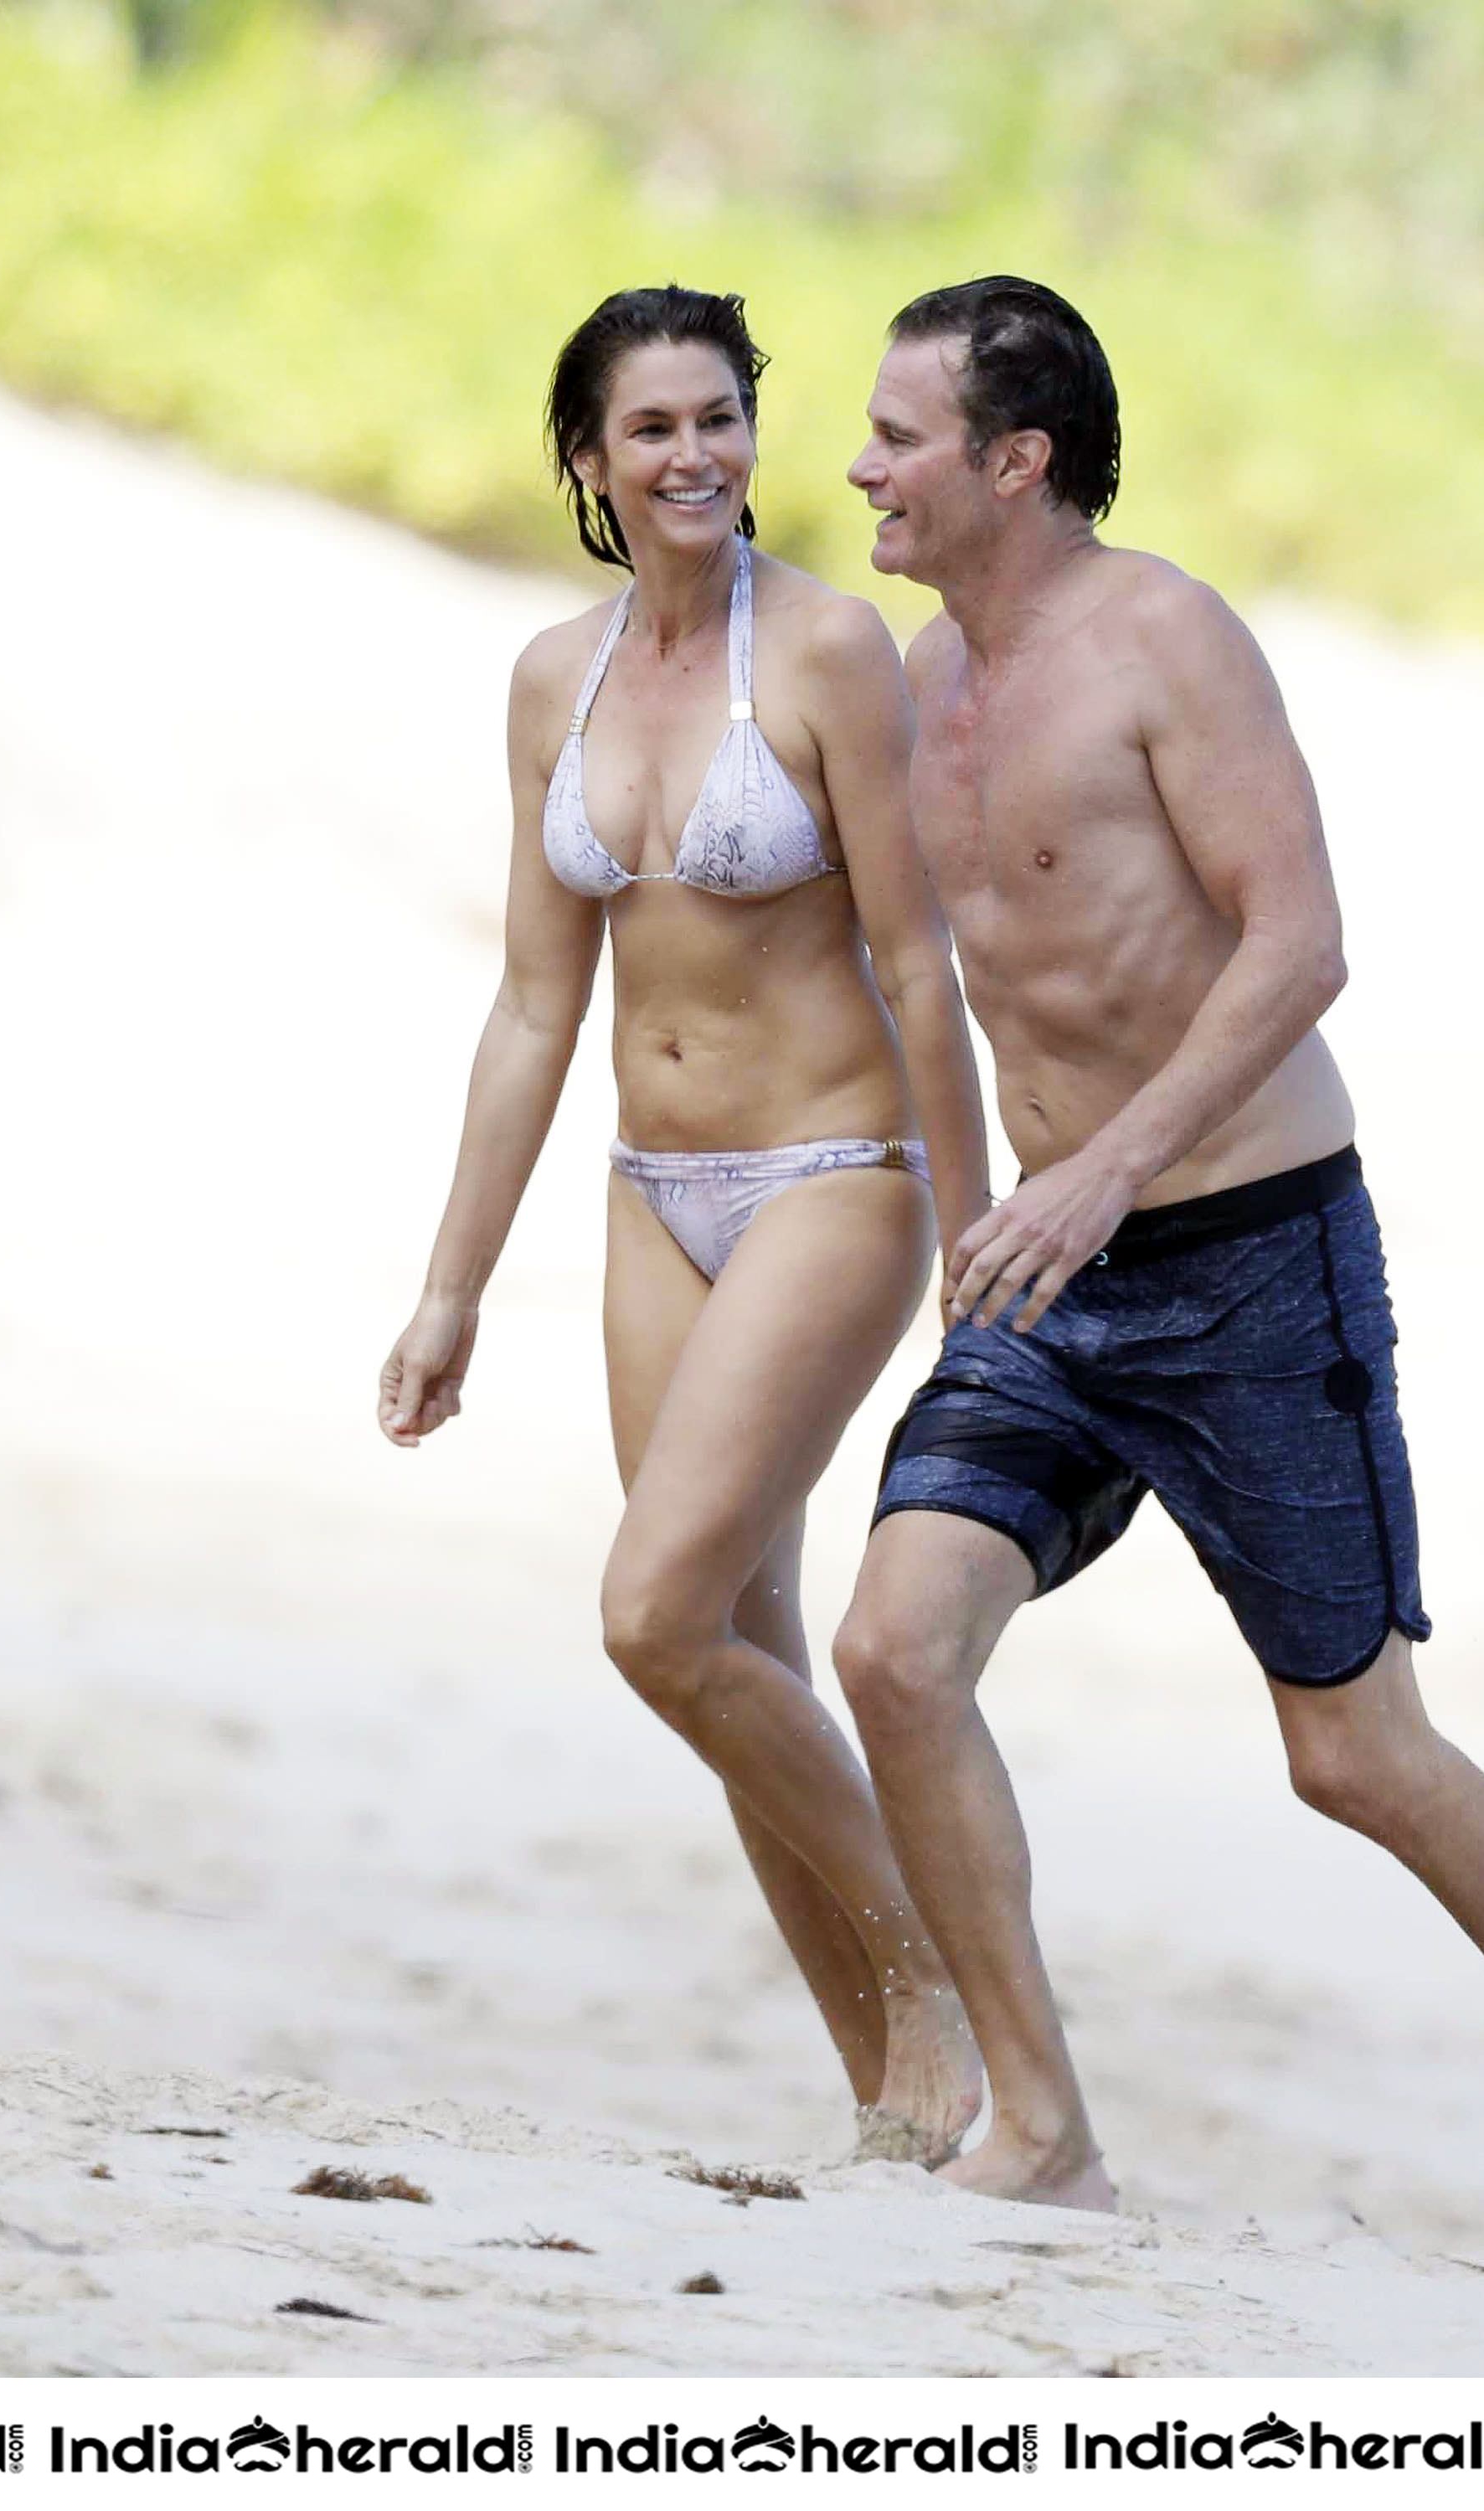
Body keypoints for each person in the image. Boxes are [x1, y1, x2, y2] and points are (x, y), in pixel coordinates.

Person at [832, 275, 1484, 2309]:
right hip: (1047, 1277)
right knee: (896, 1649)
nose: (863, 468)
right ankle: (1044, 2133)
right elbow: (941, 979)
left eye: (899, 435)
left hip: (1247, 1256)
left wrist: (1106, 1172)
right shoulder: (917, 676)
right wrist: (979, 1208)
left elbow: (1299, 945)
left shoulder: (1164, 642)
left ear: (1017, 458)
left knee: (1357, 1757)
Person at [379, 285, 987, 2161]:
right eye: (654, 428)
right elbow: (535, 1007)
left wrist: (985, 1248)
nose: (697, 454)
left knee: (651, 1617)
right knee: (736, 1645)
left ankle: (957, 1985)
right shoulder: (547, 679)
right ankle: (890, 2089)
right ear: (589, 460)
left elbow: (914, 953)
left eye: (722, 415)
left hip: (833, 1174)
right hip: (654, 1194)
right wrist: (451, 1285)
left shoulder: (824, 652)